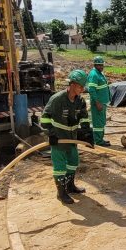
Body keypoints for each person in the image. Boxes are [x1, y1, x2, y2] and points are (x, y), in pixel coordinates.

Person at [41, 69, 93, 204]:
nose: (82, 89)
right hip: (58, 139)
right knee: (60, 167)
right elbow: (44, 119)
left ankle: (70, 186)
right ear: (72, 84)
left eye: (83, 86)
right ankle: (61, 193)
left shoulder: (80, 101)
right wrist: (51, 134)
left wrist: (87, 133)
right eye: (80, 86)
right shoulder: (57, 99)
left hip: (72, 139)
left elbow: (84, 118)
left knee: (73, 162)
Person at [87, 55, 111, 146]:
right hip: (98, 103)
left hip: (102, 102)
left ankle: (100, 139)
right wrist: (97, 102)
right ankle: (98, 141)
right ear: (95, 65)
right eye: (99, 65)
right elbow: (92, 90)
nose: (101, 67)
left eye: (102, 65)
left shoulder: (99, 73)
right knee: (98, 123)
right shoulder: (94, 74)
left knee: (101, 122)